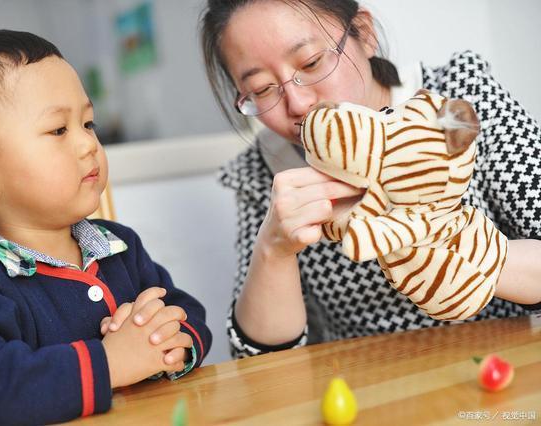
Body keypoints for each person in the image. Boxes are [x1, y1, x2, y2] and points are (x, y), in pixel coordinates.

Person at [199, 0, 541, 358]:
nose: (298, 104)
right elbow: (258, 364)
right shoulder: (264, 169)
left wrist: (444, 253)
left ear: (363, 33)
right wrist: (274, 249)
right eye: (263, 89)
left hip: (500, 370)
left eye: (312, 63)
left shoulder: (456, 102)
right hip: (364, 391)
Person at [0, 30, 211, 425]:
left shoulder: (119, 246)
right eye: (58, 130)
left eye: (88, 123)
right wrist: (112, 362)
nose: (89, 143)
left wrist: (170, 338)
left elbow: (186, 310)